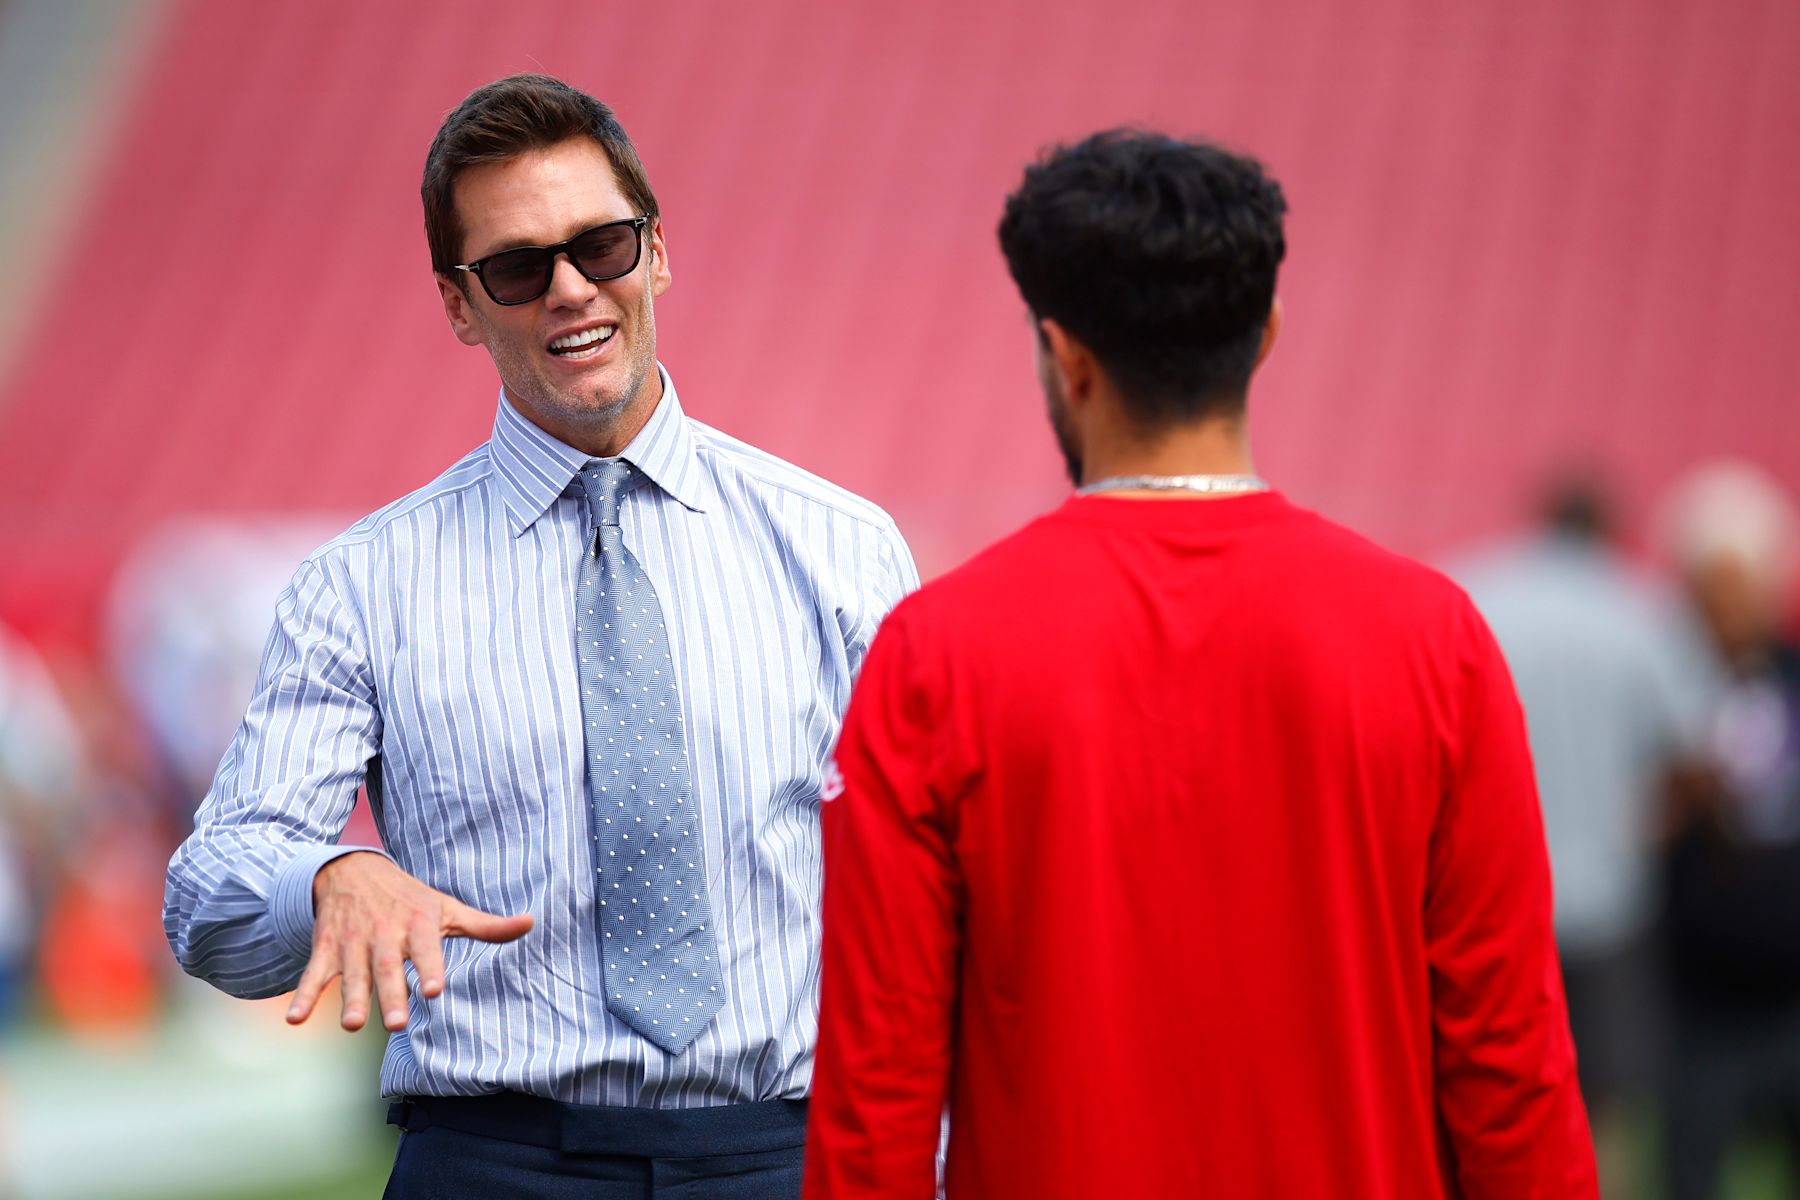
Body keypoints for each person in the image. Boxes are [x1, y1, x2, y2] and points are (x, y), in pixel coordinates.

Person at [803, 131, 1596, 1198]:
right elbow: (1512, 1068)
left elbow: (878, 1093)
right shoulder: (1435, 641)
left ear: (1065, 356)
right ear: (1266, 336)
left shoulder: (932, 654)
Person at [164, 74, 916, 1198]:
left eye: (602, 245)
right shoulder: (363, 584)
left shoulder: (847, 551)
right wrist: (330, 874)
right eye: (518, 267)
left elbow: (937, 890)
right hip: (493, 1161)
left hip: (786, 1154)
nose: (571, 289)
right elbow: (208, 893)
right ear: (461, 305)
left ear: (656, 253)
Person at [1456, 474, 1714, 1194]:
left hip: (1488, 903)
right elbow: (1698, 759)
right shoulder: (1641, 609)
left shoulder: (1476, 588)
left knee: (1482, 1094)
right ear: (1605, 530)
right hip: (1609, 900)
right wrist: (1643, 829)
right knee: (1606, 1104)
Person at [1656, 462, 1800, 1200]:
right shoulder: (1662, 683)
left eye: (1743, 587)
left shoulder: (1790, 677)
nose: (1730, 609)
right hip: (1700, 1002)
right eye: (1714, 590)